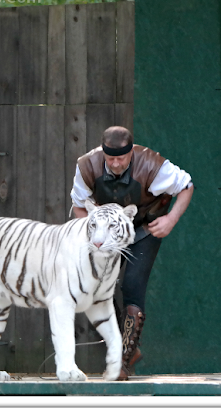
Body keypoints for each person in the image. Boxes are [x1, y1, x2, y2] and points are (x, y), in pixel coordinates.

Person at [70, 126, 193, 380]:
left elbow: (186, 185)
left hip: (144, 230)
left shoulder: (152, 165)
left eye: (121, 158)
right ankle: (127, 348)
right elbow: (79, 206)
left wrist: (170, 220)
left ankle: (121, 362)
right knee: (95, 288)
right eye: (110, 158)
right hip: (108, 234)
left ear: (131, 154)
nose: (115, 163)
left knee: (133, 286)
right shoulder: (86, 166)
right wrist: (91, 236)